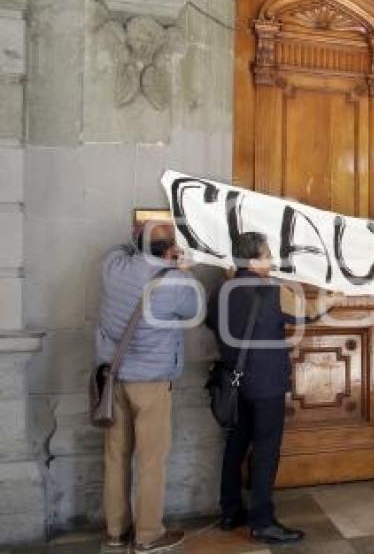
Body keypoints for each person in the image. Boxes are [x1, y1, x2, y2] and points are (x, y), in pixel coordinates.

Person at [206, 232, 343, 544]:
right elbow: (305, 313)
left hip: (233, 381)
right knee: (266, 450)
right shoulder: (272, 291)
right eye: (267, 256)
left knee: (235, 444)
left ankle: (230, 512)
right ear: (253, 260)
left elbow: (211, 324)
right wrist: (333, 299)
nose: (272, 261)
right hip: (266, 383)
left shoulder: (219, 291)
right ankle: (262, 521)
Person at [96, 222, 199, 552]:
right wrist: (183, 269)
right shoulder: (177, 282)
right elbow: (195, 310)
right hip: (152, 384)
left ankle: (115, 531)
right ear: (171, 250)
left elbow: (120, 250)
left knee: (116, 455)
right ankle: (148, 534)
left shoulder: (113, 268)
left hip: (115, 379)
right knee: (151, 461)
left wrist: (140, 237)